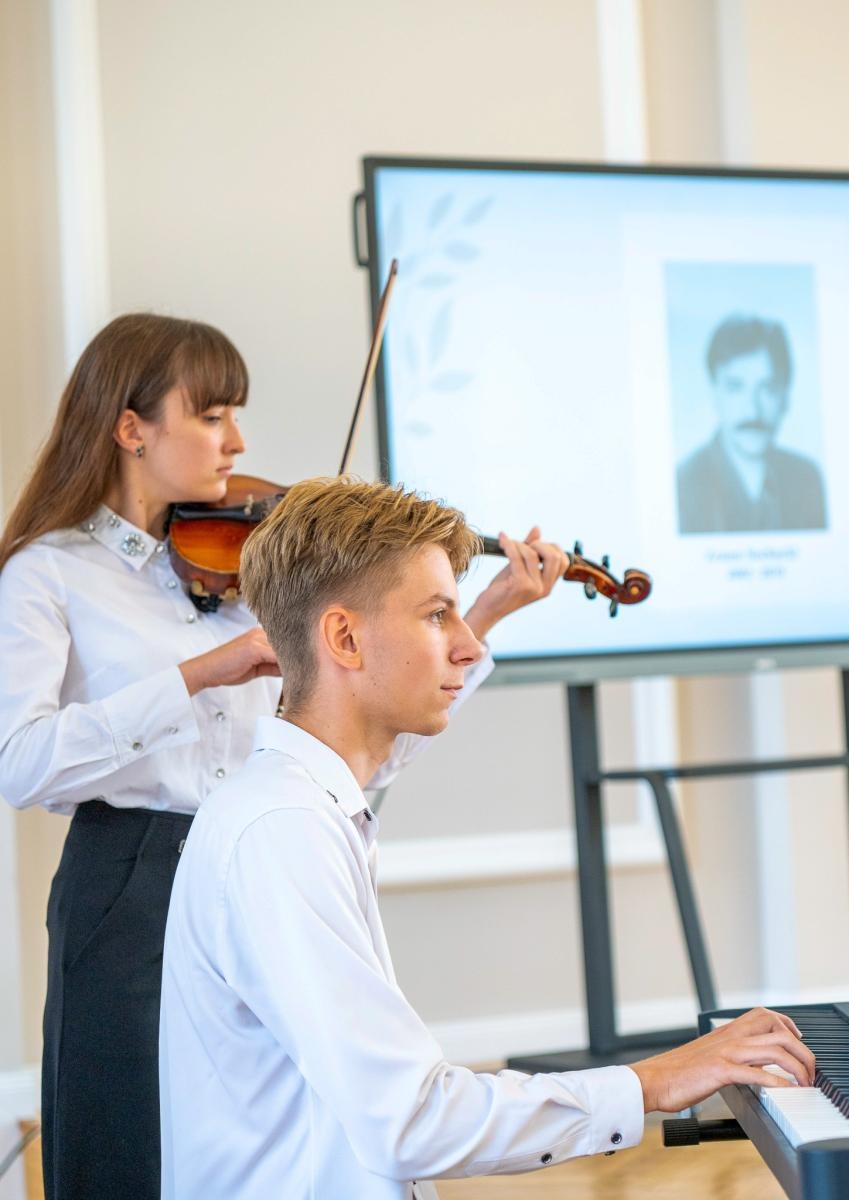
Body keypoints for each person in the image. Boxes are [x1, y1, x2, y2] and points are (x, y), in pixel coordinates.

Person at [0, 313, 569, 1200]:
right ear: (131, 428)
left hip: (264, 858)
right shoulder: (50, 573)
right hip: (131, 878)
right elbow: (21, 762)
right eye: (213, 415)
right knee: (124, 1141)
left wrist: (479, 615)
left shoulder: (241, 565)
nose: (238, 442)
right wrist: (200, 672)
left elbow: (356, 748)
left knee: (294, 1137)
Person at [159, 476, 815, 1200]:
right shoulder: (279, 833)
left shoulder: (297, 807)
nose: (469, 647)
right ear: (344, 638)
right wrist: (656, 1079)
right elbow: (409, 1122)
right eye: (439, 616)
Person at [676, 313, 827, 534]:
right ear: (714, 392)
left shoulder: (808, 480)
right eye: (736, 387)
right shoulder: (682, 486)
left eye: (767, 388)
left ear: (785, 396)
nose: (752, 410)